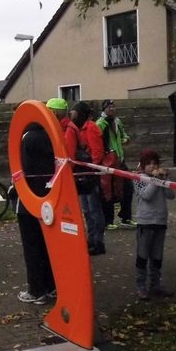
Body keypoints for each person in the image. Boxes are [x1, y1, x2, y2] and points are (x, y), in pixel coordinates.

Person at [15, 121, 56, 304]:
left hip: (28, 199)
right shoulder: (51, 136)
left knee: (32, 247)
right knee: (47, 246)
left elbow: (22, 167)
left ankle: (36, 290)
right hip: (49, 198)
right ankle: (51, 286)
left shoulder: (26, 138)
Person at [133, 148, 175, 300]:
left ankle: (155, 284)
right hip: (145, 222)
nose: (152, 166)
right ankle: (141, 286)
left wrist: (165, 179)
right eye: (149, 164)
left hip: (160, 221)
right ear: (143, 165)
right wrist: (156, 180)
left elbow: (171, 195)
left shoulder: (159, 178)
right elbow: (147, 195)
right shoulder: (138, 178)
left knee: (157, 256)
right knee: (143, 255)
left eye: (155, 163)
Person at [69, 101, 107, 255]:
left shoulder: (91, 128)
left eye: (75, 114)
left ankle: (98, 241)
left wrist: (91, 169)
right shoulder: (78, 128)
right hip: (83, 173)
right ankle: (91, 239)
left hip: (90, 174)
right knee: (86, 209)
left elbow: (97, 152)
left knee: (94, 209)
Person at [96, 100, 135, 230]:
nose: (112, 109)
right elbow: (97, 142)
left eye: (113, 106)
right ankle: (108, 221)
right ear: (104, 109)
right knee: (108, 191)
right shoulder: (100, 124)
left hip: (120, 160)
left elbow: (124, 134)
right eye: (109, 107)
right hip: (107, 162)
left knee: (128, 187)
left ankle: (126, 217)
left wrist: (126, 138)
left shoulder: (117, 121)